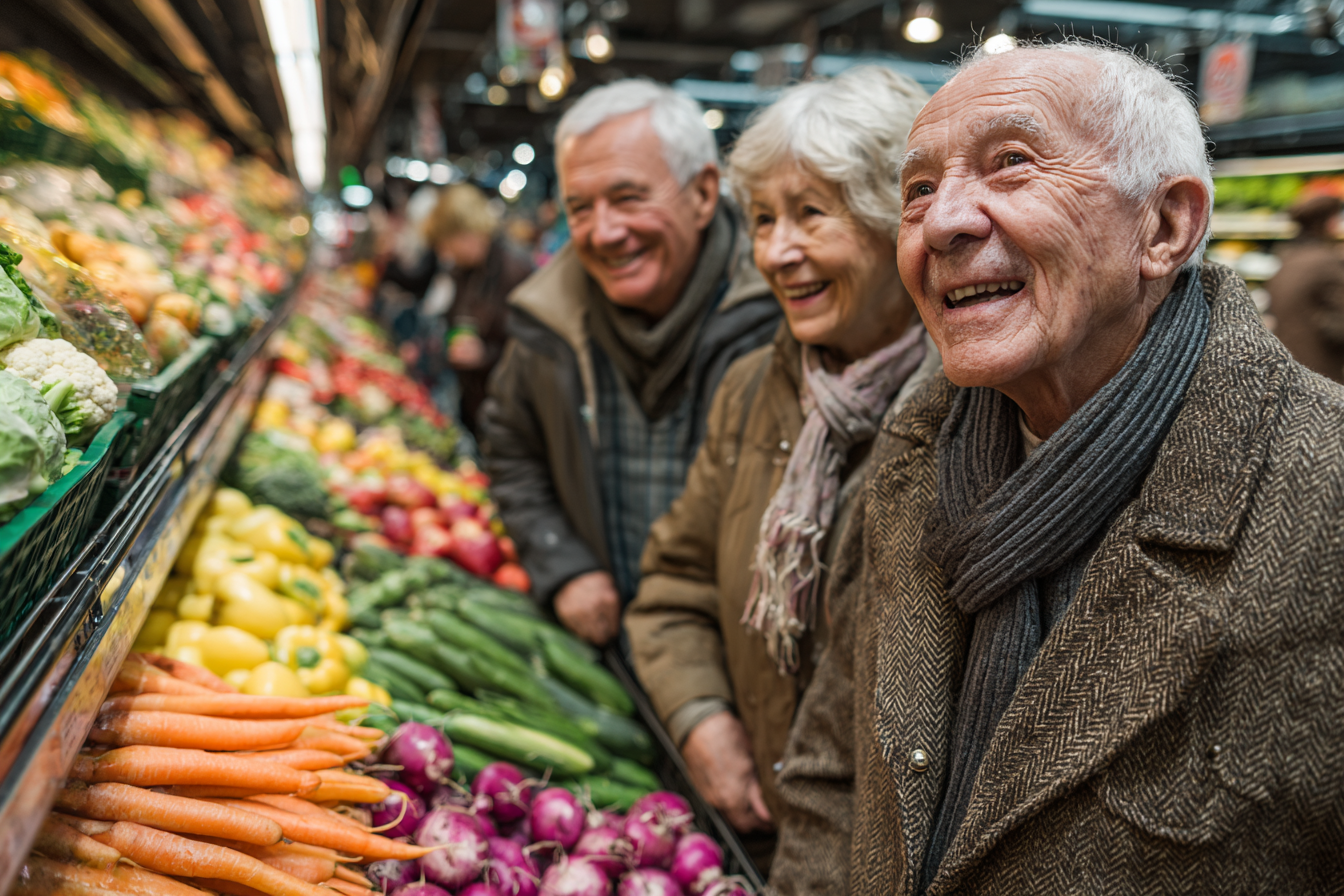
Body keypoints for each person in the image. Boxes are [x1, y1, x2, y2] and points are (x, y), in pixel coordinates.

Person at [769, 40, 1344, 895]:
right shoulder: (912, 452)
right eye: (919, 188)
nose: (942, 221)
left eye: (1011, 165)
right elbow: (834, 770)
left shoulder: (1322, 492)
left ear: (1164, 226)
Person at [623, 67, 932, 852]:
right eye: (762, 219)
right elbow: (674, 586)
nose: (777, 251)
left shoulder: (977, 406)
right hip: (762, 826)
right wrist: (701, 721)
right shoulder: (754, 389)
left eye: (810, 216)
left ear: (897, 221)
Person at [480, 80, 780, 643]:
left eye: (627, 197)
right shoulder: (548, 324)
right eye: (580, 208)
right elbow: (509, 446)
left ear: (703, 193)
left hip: (744, 666)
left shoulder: (784, 313)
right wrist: (560, 561)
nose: (604, 232)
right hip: (607, 649)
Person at [416, 184, 534, 430]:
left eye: (447, 242)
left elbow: (534, 352)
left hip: (509, 415)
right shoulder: (462, 271)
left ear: (467, 231)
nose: (445, 252)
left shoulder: (516, 271)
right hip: (474, 403)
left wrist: (485, 356)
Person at [1266, 194, 1344, 382]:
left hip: (1288, 363)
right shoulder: (1327, 262)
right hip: (1321, 368)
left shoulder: (1287, 258)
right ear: (1331, 222)